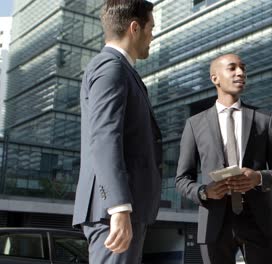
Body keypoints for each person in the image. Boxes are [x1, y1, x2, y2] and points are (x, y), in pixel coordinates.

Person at [176, 53, 272, 264]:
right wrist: (204, 191)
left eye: (243, 68)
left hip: (258, 222)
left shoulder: (264, 119)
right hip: (214, 223)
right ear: (215, 78)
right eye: (232, 68)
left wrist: (259, 177)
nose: (241, 73)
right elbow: (182, 179)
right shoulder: (195, 124)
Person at [72, 1, 162, 263]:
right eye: (151, 28)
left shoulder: (121, 70)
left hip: (118, 209)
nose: (152, 36)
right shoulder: (111, 67)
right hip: (112, 210)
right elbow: (104, 138)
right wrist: (119, 206)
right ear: (135, 28)